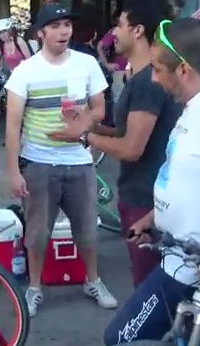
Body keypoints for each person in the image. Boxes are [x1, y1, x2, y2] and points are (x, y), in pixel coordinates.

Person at [50, 0, 180, 288]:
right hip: (140, 195)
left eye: (120, 24)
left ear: (137, 31)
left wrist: (84, 137)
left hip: (145, 199)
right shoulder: (139, 77)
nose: (114, 32)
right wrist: (92, 126)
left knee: (148, 290)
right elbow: (125, 133)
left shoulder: (147, 82)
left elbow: (131, 149)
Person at [5, 3, 118, 318]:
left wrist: (83, 122)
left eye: (67, 24)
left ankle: (92, 280)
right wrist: (13, 171)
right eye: (55, 26)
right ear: (40, 33)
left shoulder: (86, 64)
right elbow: (12, 125)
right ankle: (35, 287)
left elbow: (99, 110)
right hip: (38, 163)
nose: (63, 31)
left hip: (80, 162)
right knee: (37, 233)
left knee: (87, 230)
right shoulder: (24, 71)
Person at [103, 17, 200, 345]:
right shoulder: (187, 109)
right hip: (174, 261)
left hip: (188, 271)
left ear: (184, 70)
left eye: (159, 69)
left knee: (120, 338)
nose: (155, 80)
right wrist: (154, 216)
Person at [97, 10, 128, 103]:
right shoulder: (115, 31)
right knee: (119, 99)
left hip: (132, 69)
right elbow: (100, 45)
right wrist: (106, 64)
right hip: (120, 69)